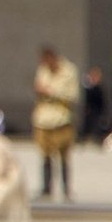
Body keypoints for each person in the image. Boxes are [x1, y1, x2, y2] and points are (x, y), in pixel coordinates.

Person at [32, 46, 79, 201]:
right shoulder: (43, 70)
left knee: (64, 156)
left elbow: (73, 96)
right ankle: (46, 189)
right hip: (43, 119)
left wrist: (52, 92)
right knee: (45, 155)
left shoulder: (69, 71)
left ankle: (66, 189)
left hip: (61, 120)